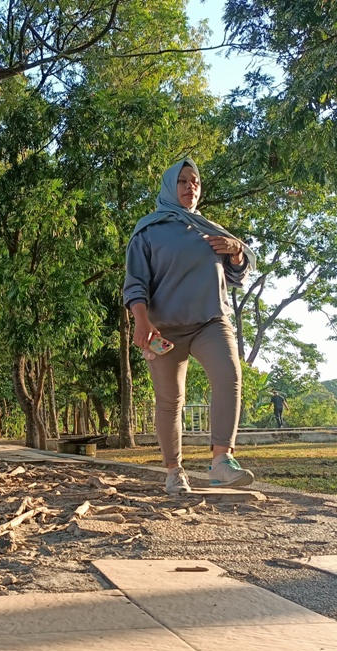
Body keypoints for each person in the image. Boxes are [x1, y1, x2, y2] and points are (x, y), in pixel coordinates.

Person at [123, 157, 257, 494]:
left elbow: (235, 276)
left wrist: (237, 252)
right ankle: (174, 470)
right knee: (171, 400)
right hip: (163, 330)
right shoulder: (148, 230)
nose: (190, 187)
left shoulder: (211, 229)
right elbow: (135, 281)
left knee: (229, 377)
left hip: (211, 320)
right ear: (171, 186)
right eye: (183, 181)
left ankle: (221, 461)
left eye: (195, 181)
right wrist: (141, 321)